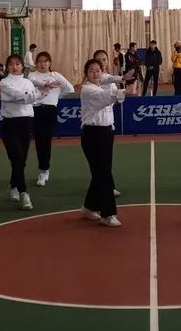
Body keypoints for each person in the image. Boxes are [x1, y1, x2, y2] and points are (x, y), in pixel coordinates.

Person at [79, 58, 126, 226]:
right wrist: (123, 90)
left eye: (98, 70)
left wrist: (122, 88)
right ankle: (108, 214)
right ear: (86, 74)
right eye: (91, 71)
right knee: (104, 174)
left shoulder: (102, 87)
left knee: (100, 173)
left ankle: (89, 207)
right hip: (93, 134)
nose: (95, 73)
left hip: (106, 132)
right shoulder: (87, 89)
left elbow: (115, 99)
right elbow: (104, 98)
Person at [0, 54, 39, 211]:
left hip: (26, 122)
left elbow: (32, 99)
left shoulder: (28, 82)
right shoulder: (4, 82)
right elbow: (17, 96)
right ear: (7, 67)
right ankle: (24, 192)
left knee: (21, 159)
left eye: (17, 64)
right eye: (11, 64)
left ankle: (13, 185)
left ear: (22, 66)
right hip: (10, 123)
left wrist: (34, 96)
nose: (14, 67)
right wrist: (33, 95)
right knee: (17, 157)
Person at [28, 51, 75, 186]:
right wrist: (47, 85)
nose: (42, 64)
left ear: (50, 63)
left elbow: (70, 89)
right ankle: (42, 168)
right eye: (40, 61)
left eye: (45, 61)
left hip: (50, 110)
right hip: (35, 109)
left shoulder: (55, 75)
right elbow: (32, 82)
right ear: (36, 64)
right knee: (38, 141)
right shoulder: (32, 75)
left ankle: (44, 170)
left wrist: (56, 96)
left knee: (46, 140)